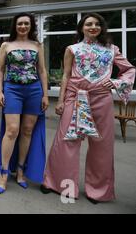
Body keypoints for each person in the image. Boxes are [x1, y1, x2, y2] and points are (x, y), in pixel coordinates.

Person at [41, 13, 135, 204]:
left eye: (97, 24)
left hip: (102, 99)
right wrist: (60, 101)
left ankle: (97, 191)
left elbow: (130, 70)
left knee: (101, 145)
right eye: (88, 24)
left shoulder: (112, 50)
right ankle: (59, 184)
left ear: (101, 28)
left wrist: (117, 82)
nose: (93, 27)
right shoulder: (72, 49)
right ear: (82, 27)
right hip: (75, 97)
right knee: (66, 141)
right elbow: (66, 76)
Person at [0, 13, 49, 194]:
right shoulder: (6, 45)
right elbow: (1, 70)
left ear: (31, 26)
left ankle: (20, 170)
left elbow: (41, 70)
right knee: (12, 130)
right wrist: (0, 90)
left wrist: (45, 95)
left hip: (34, 90)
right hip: (12, 89)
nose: (23, 26)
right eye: (20, 23)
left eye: (26, 23)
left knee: (27, 131)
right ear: (15, 26)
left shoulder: (37, 45)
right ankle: (3, 172)